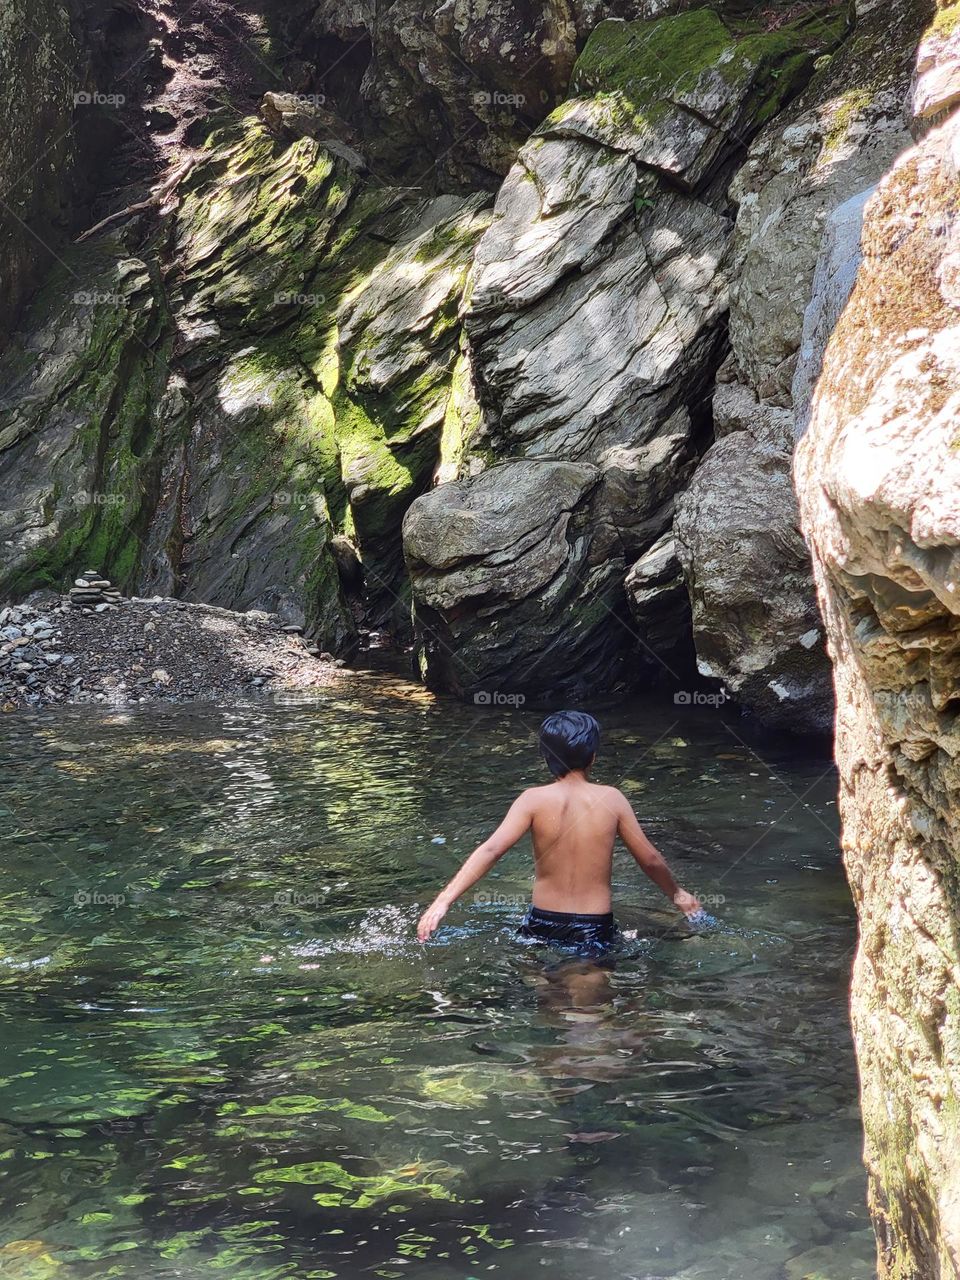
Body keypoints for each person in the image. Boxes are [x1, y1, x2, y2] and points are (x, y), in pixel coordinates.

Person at [416, 710, 702, 953]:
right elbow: (650, 860)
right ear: (593, 757)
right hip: (594, 925)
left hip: (542, 922)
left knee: (546, 998)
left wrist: (443, 901)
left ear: (546, 758)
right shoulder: (612, 799)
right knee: (589, 1006)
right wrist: (678, 894)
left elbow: (491, 850)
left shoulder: (532, 799)